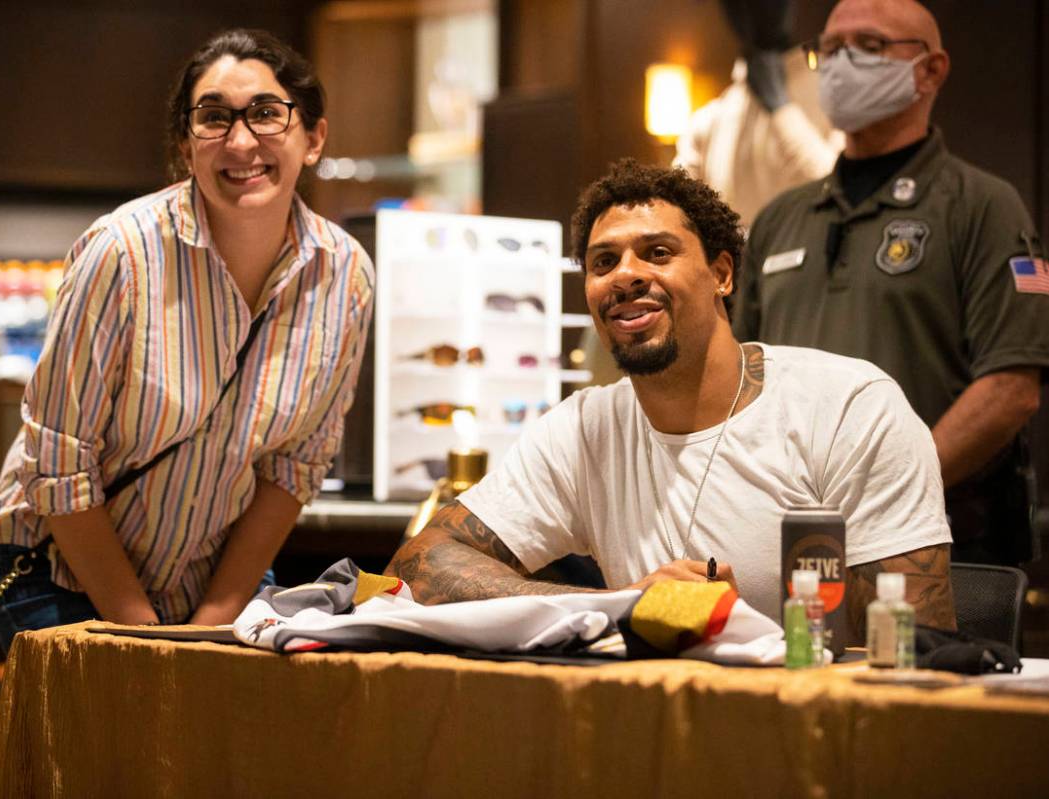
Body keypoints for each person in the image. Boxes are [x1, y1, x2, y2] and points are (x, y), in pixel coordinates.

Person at [387, 159, 955, 641]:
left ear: (722, 274)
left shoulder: (849, 408)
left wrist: (742, 630)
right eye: (603, 262)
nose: (626, 275)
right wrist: (617, 607)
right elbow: (419, 566)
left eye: (657, 252)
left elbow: (917, 647)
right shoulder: (584, 429)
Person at [0, 29, 374, 648]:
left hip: (219, 575)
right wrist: (146, 640)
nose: (241, 141)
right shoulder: (123, 252)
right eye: (214, 118)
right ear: (186, 145)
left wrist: (210, 625)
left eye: (267, 114)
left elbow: (295, 468)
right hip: (60, 571)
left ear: (314, 138)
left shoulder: (344, 273)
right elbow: (58, 464)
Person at [732, 0, 1049, 566]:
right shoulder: (781, 219)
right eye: (828, 49)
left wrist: (891, 489)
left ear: (930, 70)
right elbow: (737, 378)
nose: (841, 63)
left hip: (937, 536)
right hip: (793, 537)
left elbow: (1011, 388)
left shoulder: (981, 205)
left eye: (870, 47)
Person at [673, 0, 843, 227]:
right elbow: (676, 214)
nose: (751, 10)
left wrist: (781, 109)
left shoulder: (837, 94)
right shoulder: (709, 120)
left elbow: (840, 191)